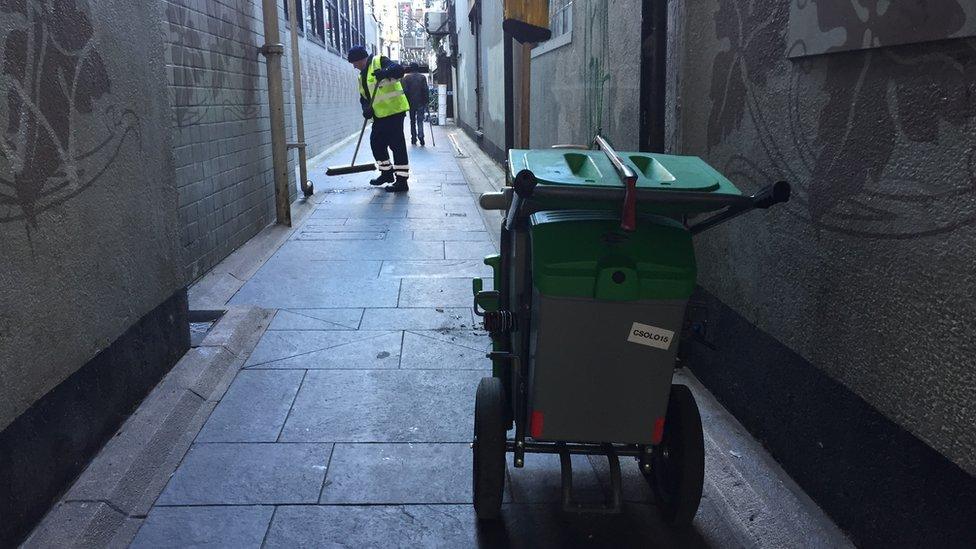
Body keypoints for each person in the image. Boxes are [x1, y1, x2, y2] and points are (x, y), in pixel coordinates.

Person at [347, 46, 410, 192]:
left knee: (396, 146)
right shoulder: (361, 76)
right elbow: (363, 98)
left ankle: (402, 181)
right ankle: (387, 173)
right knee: (376, 143)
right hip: (379, 116)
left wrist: (385, 72)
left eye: (355, 62)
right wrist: (366, 110)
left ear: (361, 59)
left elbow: (399, 70)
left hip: (394, 112)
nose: (354, 66)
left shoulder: (380, 61)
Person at [401, 63, 430, 146]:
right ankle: (421, 136)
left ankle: (413, 138)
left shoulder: (406, 78)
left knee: (412, 121)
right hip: (420, 102)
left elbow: (405, 91)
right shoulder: (422, 77)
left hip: (410, 103)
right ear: (418, 68)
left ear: (410, 68)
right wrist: (426, 101)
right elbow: (425, 90)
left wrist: (406, 102)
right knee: (420, 120)